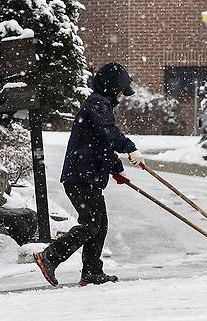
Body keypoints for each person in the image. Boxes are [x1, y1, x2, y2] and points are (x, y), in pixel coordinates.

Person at [33, 62, 145, 287]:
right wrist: (130, 147)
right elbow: (108, 133)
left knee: (99, 224)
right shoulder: (97, 104)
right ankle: (50, 256)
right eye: (121, 91)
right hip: (81, 178)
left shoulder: (100, 105)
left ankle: (92, 272)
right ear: (112, 87)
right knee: (92, 223)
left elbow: (101, 144)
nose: (121, 96)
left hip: (87, 177)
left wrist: (116, 169)